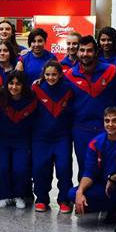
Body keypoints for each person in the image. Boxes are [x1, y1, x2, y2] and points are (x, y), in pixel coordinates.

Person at [64, 35, 116, 178]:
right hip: (81, 129)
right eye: (82, 50)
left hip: (107, 128)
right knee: (85, 169)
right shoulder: (70, 75)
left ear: (96, 52)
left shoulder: (112, 71)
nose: (85, 54)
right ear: (77, 52)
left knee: (109, 170)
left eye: (89, 50)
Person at [31, 60, 75, 213]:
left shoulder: (68, 89)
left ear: (60, 74)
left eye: (54, 74)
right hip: (40, 137)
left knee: (64, 168)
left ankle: (64, 199)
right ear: (43, 75)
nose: (50, 78)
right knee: (40, 168)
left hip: (62, 136)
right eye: (47, 75)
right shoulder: (36, 88)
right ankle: (41, 198)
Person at [0, 69, 35, 209]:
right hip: (1, 139)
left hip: (21, 140)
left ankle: (19, 195)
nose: (14, 87)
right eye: (11, 83)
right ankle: (5, 196)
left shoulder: (30, 99)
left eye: (18, 84)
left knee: (20, 168)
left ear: (23, 85)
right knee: (0, 167)